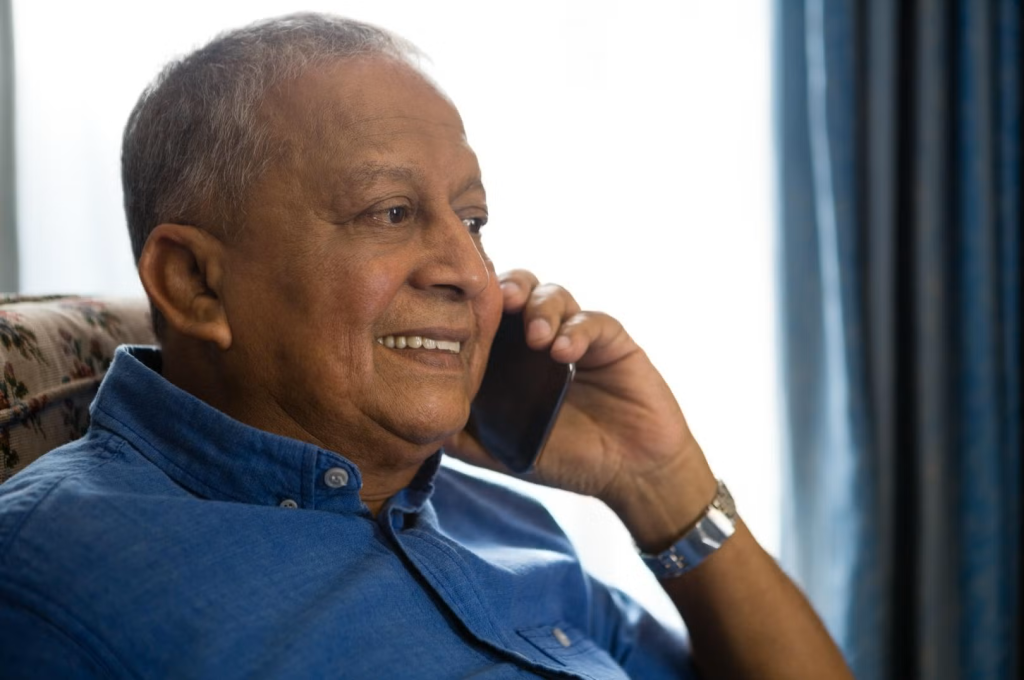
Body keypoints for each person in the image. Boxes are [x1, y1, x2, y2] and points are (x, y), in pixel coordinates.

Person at [0, 13, 852, 679]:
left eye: (472, 221)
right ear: (194, 283)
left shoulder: (499, 519)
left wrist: (662, 485)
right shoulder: (48, 586)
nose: (473, 276)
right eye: (392, 212)